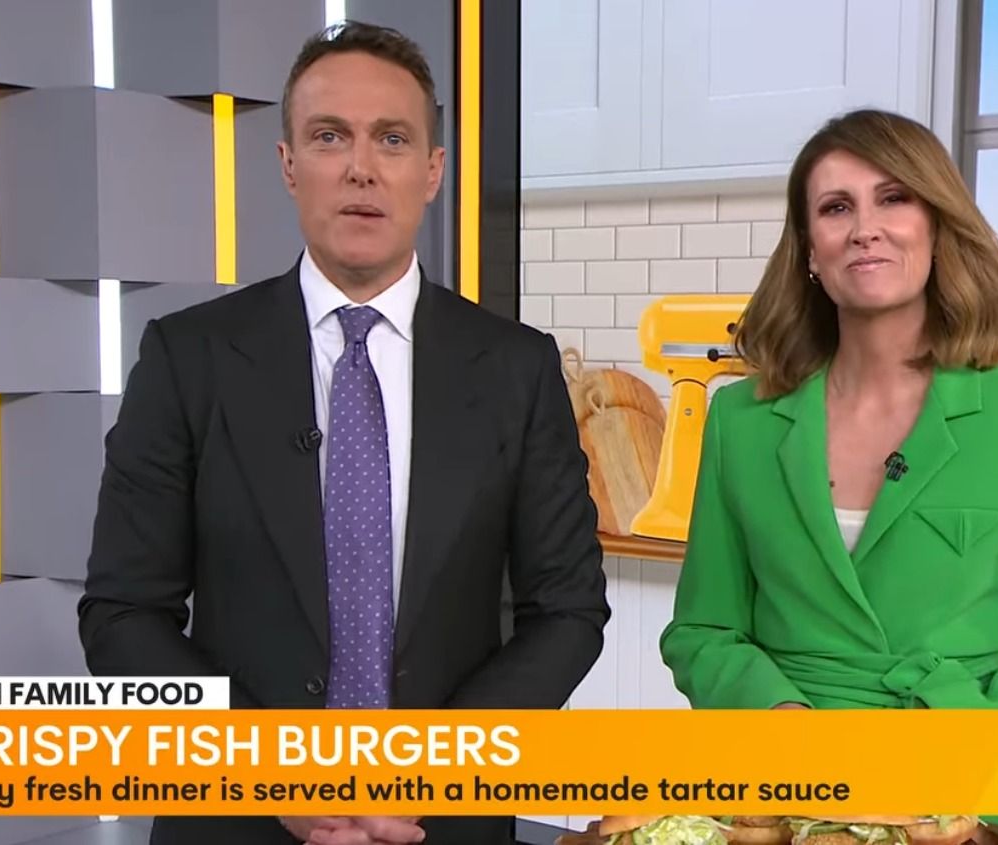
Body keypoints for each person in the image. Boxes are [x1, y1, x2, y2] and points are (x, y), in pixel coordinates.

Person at [78, 21, 610, 845]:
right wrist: (269, 770)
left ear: (432, 170)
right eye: (330, 136)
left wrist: (431, 770)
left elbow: (567, 610)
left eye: (392, 139)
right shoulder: (189, 356)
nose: (361, 167)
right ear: (289, 164)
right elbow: (122, 613)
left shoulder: (517, 366)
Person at [657, 109, 998, 845]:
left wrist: (947, 751)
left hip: (965, 795)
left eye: (894, 198)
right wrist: (778, 720)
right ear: (809, 250)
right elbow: (703, 631)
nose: (865, 228)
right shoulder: (740, 421)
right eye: (835, 207)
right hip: (777, 794)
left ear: (938, 228)